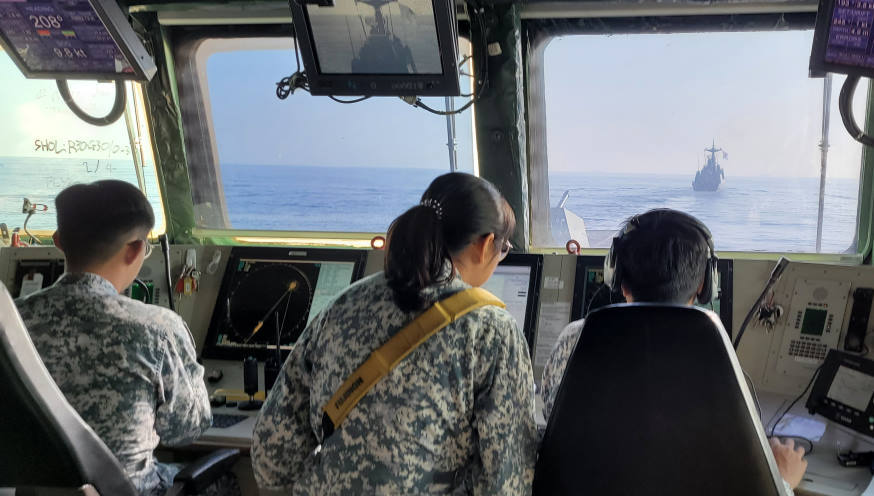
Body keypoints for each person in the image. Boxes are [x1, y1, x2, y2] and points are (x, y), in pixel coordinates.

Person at [252, 172, 537, 494]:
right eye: (504, 250)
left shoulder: (341, 305)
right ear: (485, 245)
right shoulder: (492, 331)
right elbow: (507, 483)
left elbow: (271, 461)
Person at [540, 208, 808, 493]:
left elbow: (552, 420)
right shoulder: (717, 359)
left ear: (616, 274)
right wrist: (783, 480)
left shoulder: (574, 339)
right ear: (706, 283)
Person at [15, 180, 217, 496]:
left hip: (33, 493)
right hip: (130, 491)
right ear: (136, 249)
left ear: (58, 241)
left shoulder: (12, 323)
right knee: (221, 479)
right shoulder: (158, 328)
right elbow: (186, 430)